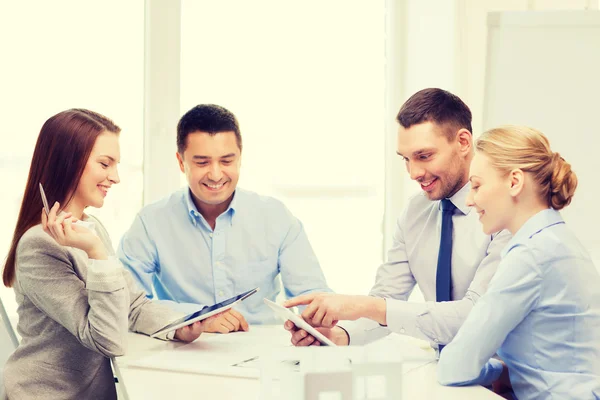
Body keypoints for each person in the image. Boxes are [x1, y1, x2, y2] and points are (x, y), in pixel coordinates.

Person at [2, 109, 215, 399]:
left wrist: (179, 326)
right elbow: (107, 339)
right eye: (105, 164)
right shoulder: (39, 246)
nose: (114, 177)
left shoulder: (90, 228)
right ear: (69, 162)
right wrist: (96, 253)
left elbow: (132, 305)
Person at [283, 88, 511, 348]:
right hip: (445, 371)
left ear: (462, 142)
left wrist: (361, 305)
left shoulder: (504, 212)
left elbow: (475, 316)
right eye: (406, 159)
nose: (413, 173)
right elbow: (388, 297)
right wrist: (339, 336)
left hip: (499, 380)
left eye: (424, 156)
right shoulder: (415, 212)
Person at [117, 104, 330, 333]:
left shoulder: (276, 217)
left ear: (240, 159)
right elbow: (126, 303)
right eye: (202, 162)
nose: (216, 174)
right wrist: (198, 317)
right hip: (182, 352)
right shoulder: (151, 222)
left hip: (263, 351)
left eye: (227, 161)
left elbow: (311, 296)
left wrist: (317, 324)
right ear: (181, 162)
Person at [437, 126, 600, 399]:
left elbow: (455, 366)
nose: (469, 199)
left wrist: (498, 370)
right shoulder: (560, 241)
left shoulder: (531, 255)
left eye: (476, 185)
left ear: (514, 182)